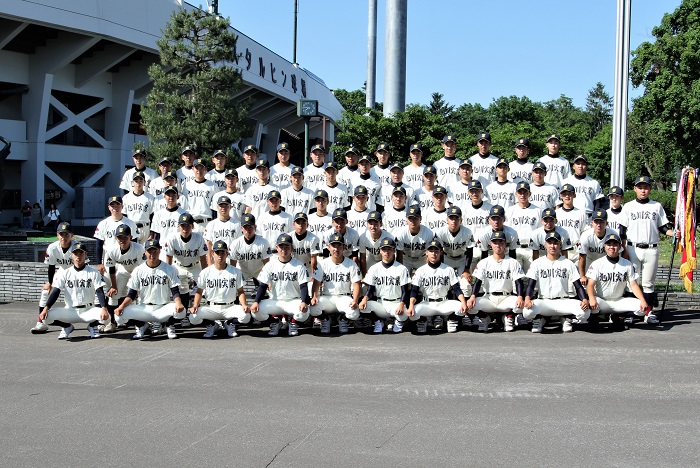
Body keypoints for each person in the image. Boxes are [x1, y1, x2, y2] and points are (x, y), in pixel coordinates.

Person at [619, 175, 678, 317]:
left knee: (648, 283)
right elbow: (622, 231)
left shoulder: (656, 206)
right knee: (632, 282)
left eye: (645, 187)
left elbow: (663, 227)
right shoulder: (628, 206)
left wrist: (674, 233)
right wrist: (624, 249)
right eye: (640, 187)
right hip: (633, 248)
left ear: (650, 188)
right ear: (635, 189)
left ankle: (648, 313)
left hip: (651, 249)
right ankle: (630, 314)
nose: (643, 190)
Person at [113, 239, 185, 339]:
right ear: (145, 252)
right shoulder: (138, 270)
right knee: (118, 316)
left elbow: (175, 291)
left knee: (182, 311)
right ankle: (141, 325)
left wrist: (178, 302)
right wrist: (121, 306)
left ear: (159, 251)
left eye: (155, 251)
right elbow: (131, 295)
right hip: (144, 308)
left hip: (162, 308)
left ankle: (169, 325)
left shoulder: (169, 269)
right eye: (149, 251)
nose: (152, 255)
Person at [39, 242, 110, 339]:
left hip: (88, 310)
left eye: (81, 253)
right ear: (71, 255)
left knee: (107, 318)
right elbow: (56, 291)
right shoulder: (65, 273)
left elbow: (99, 291)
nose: (78, 256)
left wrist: (103, 308)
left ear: (86, 254)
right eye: (76, 254)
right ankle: (67, 327)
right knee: (45, 318)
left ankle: (92, 326)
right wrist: (46, 308)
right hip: (70, 310)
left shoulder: (93, 272)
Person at [523, 231, 590, 333]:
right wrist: (527, 299)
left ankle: (566, 318)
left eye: (555, 243)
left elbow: (578, 286)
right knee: (526, 312)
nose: (552, 246)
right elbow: (530, 285)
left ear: (560, 245)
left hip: (563, 301)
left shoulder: (568, 263)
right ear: (545, 245)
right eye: (550, 243)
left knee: (585, 313)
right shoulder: (537, 263)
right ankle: (540, 318)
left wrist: (584, 299)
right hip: (544, 301)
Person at [250, 233, 313, 336]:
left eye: (287, 246)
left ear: (291, 247)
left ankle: (293, 322)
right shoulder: (270, 265)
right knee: (255, 311)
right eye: (281, 246)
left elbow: (303, 286)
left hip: (293, 300)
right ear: (277, 248)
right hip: (275, 300)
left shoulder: (299, 266)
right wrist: (256, 301)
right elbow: (262, 286)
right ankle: (274, 322)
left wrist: (303, 301)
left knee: (304, 313)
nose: (284, 249)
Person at [586, 233, 651, 327]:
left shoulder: (627, 264)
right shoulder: (597, 264)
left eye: (615, 244)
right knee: (590, 303)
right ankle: (595, 318)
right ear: (604, 246)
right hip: (602, 301)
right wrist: (592, 299)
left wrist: (642, 300)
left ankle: (619, 317)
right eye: (609, 244)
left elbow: (633, 285)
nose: (612, 247)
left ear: (620, 247)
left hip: (619, 301)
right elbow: (590, 284)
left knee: (641, 307)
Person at [189, 240, 251, 338]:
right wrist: (195, 305)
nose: (220, 256)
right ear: (212, 254)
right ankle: (213, 324)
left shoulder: (235, 271)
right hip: (212, 308)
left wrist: (244, 305)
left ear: (227, 254)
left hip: (230, 307)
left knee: (246, 316)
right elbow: (199, 291)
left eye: (222, 253)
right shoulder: (206, 272)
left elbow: (240, 291)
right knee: (193, 317)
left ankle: (229, 323)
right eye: (217, 253)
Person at [467, 231, 525, 332]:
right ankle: (485, 318)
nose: (498, 245)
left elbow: (518, 282)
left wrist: (520, 296)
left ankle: (508, 317)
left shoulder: (513, 262)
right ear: (491, 244)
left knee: (521, 305)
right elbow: (478, 281)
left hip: (506, 297)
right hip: (489, 298)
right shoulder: (484, 262)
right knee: (469, 306)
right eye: (495, 242)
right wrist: (472, 296)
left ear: (505, 244)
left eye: (501, 242)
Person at [406, 239, 469, 334]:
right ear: (426, 252)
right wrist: (411, 305)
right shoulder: (420, 270)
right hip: (427, 304)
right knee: (411, 313)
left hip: (444, 303)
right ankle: (424, 319)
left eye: (436, 251)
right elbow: (414, 291)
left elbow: (456, 289)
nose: (433, 254)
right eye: (431, 251)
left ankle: (450, 318)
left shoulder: (448, 269)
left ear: (441, 252)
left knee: (461, 307)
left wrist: (464, 302)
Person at [310, 233, 363, 334]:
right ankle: (326, 319)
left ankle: (342, 319)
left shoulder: (351, 264)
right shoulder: (322, 263)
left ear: (344, 247)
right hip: (328, 298)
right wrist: (314, 297)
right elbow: (316, 283)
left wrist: (355, 300)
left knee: (354, 313)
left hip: (344, 297)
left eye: (339, 246)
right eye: (334, 246)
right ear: (329, 247)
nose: (336, 249)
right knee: (313, 308)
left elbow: (357, 284)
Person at [30, 222, 76, 334]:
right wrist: (50, 283)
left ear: (71, 235)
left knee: (73, 303)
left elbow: (83, 265)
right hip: (62, 271)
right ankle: (41, 323)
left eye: (66, 234)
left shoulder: (77, 247)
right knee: (46, 292)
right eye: (61, 234)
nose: (63, 237)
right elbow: (51, 266)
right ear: (57, 235)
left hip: (75, 273)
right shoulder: (52, 247)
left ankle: (96, 323)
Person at [359, 238, 412, 334]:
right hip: (381, 304)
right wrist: (365, 299)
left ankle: (398, 322)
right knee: (363, 307)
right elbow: (370, 289)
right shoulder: (374, 268)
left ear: (394, 250)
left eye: (389, 249)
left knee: (404, 313)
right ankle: (378, 322)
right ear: (380, 250)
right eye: (384, 249)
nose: (386, 252)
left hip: (396, 303)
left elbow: (405, 291)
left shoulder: (401, 269)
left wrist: (401, 304)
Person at [102, 224, 146, 333]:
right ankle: (112, 322)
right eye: (120, 237)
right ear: (116, 238)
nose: (122, 240)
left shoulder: (139, 248)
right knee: (114, 294)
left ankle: (145, 323)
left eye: (125, 237)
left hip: (139, 272)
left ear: (131, 237)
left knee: (142, 296)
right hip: (124, 271)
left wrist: (137, 286)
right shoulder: (112, 250)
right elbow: (111, 269)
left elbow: (143, 269)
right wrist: (114, 286)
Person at [163, 213, 208, 317]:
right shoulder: (172, 238)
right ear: (178, 226)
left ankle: (206, 314)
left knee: (205, 286)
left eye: (188, 225)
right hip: (179, 266)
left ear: (192, 226)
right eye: (183, 226)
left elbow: (203, 258)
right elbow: (168, 258)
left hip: (195, 266)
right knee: (183, 290)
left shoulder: (198, 238)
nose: (185, 229)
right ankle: (184, 315)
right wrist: (168, 275)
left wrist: (205, 274)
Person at [94, 196, 138, 275]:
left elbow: (134, 243)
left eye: (118, 205)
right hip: (109, 257)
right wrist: (99, 263)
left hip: (125, 257)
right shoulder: (103, 224)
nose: (115, 208)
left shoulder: (130, 223)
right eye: (112, 206)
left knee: (123, 284)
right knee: (109, 284)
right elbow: (99, 244)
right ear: (109, 207)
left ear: (122, 207)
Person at [578, 210, 622, 284]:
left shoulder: (613, 234)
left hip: (607, 262)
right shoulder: (585, 236)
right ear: (592, 223)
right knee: (588, 286)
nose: (599, 225)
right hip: (590, 261)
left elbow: (619, 254)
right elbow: (582, 257)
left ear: (606, 223)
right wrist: (582, 276)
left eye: (602, 222)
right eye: (596, 222)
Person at [505, 181, 541, 272]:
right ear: (516, 194)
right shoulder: (510, 211)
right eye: (520, 192)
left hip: (531, 248)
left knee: (531, 277)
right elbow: (506, 231)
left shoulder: (537, 210)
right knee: (516, 277)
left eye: (525, 192)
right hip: (515, 248)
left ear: (530, 194)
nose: (522, 195)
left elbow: (540, 231)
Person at [229, 214, 271, 283]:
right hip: (242, 274)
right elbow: (232, 266)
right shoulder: (235, 244)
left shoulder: (263, 242)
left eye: (250, 227)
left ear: (255, 227)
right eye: (245, 227)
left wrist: (267, 281)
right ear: (241, 228)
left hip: (259, 274)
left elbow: (267, 265)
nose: (248, 230)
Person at [181, 158, 217, 232]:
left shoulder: (213, 186)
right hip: (192, 223)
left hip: (208, 223)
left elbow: (215, 207)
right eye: (197, 168)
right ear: (193, 169)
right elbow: (184, 205)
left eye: (202, 168)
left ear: (205, 169)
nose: (199, 171)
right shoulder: (187, 185)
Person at [394, 205, 434, 274]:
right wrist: (400, 271)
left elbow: (429, 254)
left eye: (415, 218)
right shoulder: (401, 233)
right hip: (406, 258)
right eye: (410, 218)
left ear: (420, 219)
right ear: (406, 219)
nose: (413, 221)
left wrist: (428, 269)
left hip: (422, 259)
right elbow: (399, 254)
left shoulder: (428, 233)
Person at [203, 195, 242, 265]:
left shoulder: (237, 224)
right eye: (221, 206)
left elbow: (240, 245)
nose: (223, 208)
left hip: (232, 259)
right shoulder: (211, 224)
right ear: (217, 207)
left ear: (230, 207)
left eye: (226, 206)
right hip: (217, 260)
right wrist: (209, 264)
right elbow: (209, 246)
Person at [556, 183, 590, 262]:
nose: (567, 196)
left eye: (569, 194)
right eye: (564, 194)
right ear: (561, 196)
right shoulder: (556, 213)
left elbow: (585, 231)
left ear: (574, 195)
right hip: (560, 249)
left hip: (576, 250)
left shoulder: (581, 213)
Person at [359, 211, 397, 275]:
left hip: (384, 259)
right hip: (371, 259)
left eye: (376, 223)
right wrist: (364, 274)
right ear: (367, 224)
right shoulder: (363, 237)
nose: (373, 226)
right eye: (370, 223)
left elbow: (392, 256)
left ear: (381, 224)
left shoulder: (388, 237)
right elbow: (362, 257)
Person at [122, 171, 155, 243]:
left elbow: (152, 216)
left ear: (144, 182)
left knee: (146, 252)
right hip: (132, 227)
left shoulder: (150, 197)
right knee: (133, 252)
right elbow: (124, 216)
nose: (138, 183)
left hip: (145, 228)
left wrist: (152, 232)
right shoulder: (126, 198)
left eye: (141, 181)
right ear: (132, 183)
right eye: (136, 181)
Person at [256, 190, 293, 255]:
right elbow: (258, 236)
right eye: (271, 200)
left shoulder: (288, 217)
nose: (274, 203)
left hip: (282, 253)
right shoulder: (262, 217)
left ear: (280, 201)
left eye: (276, 200)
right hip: (265, 253)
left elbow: (292, 236)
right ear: (267, 202)